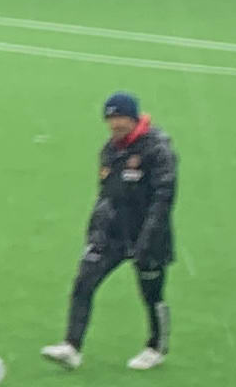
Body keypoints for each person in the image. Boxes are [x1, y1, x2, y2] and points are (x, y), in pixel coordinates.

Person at [43, 91, 177, 371]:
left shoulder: (157, 149)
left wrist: (148, 238)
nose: (115, 124)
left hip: (149, 235)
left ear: (134, 118)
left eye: (120, 118)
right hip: (113, 234)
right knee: (84, 282)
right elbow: (105, 196)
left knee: (152, 294)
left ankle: (156, 348)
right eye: (110, 119)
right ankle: (71, 346)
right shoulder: (110, 151)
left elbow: (163, 198)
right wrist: (97, 231)